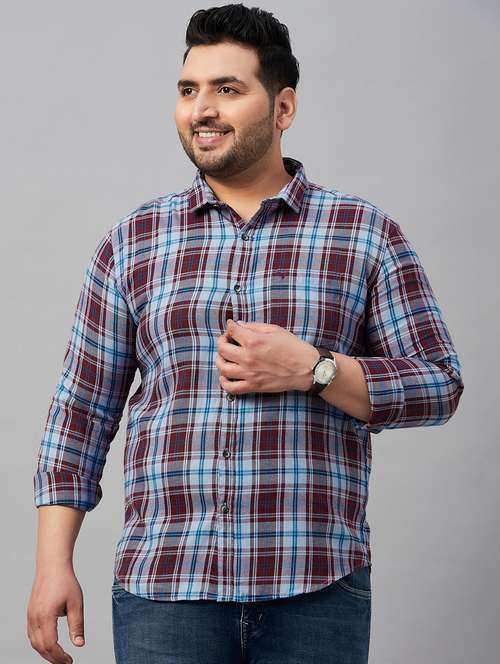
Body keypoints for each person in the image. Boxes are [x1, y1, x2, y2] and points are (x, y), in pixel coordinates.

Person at [27, 4, 465, 663]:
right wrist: (51, 564)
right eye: (188, 89)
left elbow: (438, 384)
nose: (202, 109)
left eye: (227, 89)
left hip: (316, 588)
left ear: (283, 108)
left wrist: (316, 370)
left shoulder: (363, 234)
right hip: (166, 591)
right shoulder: (132, 242)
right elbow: (80, 412)